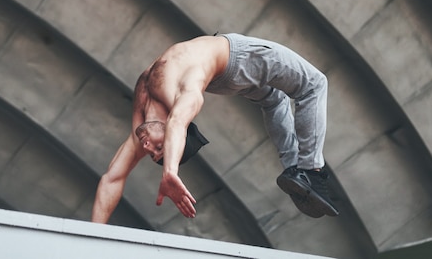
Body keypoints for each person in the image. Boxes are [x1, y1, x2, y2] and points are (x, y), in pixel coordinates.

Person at [91, 33, 339, 223]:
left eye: (152, 152)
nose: (147, 147)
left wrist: (93, 236)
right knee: (314, 84)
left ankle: (295, 168)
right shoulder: (184, 99)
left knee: (274, 100)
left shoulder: (140, 128)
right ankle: (310, 170)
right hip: (237, 59)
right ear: (176, 132)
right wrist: (169, 172)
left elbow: (112, 178)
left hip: (224, 76)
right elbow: (178, 122)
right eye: (158, 148)